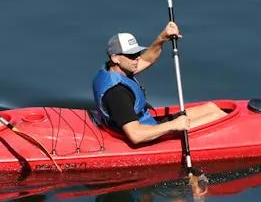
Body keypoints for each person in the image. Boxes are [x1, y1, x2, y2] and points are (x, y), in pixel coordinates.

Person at [91, 22, 225, 146]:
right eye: (131, 55)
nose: (137, 58)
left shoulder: (115, 69)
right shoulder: (117, 93)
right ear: (115, 57)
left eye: (137, 53)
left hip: (148, 124)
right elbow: (135, 135)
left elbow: (148, 59)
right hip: (148, 135)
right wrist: (173, 125)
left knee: (211, 108)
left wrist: (162, 37)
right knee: (217, 117)